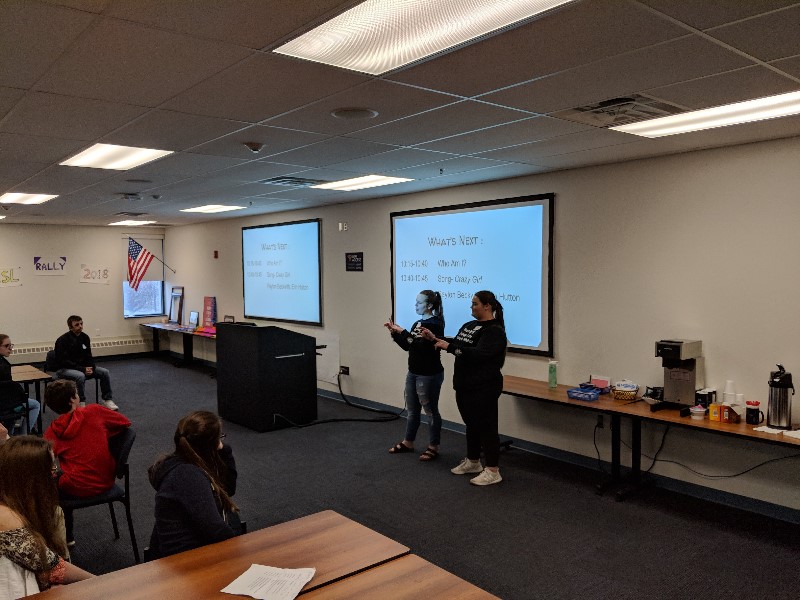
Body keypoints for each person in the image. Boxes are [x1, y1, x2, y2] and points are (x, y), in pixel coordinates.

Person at [421, 290, 507, 486]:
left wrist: (449, 348)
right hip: (465, 385)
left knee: (487, 427)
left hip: (484, 386)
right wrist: (434, 339)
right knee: (472, 425)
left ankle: (493, 470)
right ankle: (473, 461)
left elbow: (478, 354)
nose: (471, 307)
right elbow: (457, 343)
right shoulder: (470, 325)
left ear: (487, 306)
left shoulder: (495, 331)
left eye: (475, 303)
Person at [0, 436, 93, 597]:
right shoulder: (8, 518)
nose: (56, 473)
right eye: (51, 469)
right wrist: (100, 581)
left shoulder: (10, 503)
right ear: (32, 477)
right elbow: (52, 567)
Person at [43, 379, 131, 545]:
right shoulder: (95, 411)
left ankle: (64, 537)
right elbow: (125, 423)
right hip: (106, 481)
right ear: (72, 400)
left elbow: (43, 459)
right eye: (77, 394)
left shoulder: (53, 431)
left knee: (49, 484)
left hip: (75, 487)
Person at [148, 411, 240, 559]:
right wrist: (243, 547)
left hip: (190, 549)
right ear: (211, 446)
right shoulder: (187, 476)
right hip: (186, 560)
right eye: (220, 438)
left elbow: (228, 489)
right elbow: (215, 529)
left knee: (234, 519)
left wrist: (224, 451)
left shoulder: (189, 460)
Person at [384, 290, 445, 461]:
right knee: (412, 411)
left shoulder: (435, 324)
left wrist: (403, 332)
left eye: (419, 303)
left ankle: (433, 446)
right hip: (413, 372)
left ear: (430, 305)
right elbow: (409, 346)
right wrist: (395, 333)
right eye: (416, 302)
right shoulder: (418, 323)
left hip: (429, 374)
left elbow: (422, 348)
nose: (415, 305)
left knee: (431, 412)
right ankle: (408, 442)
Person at [53, 316, 118, 410]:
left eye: (81, 323)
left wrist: (91, 367)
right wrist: (83, 369)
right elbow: (63, 361)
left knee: (104, 372)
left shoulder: (85, 337)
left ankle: (107, 399)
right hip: (64, 369)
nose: (80, 326)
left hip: (82, 368)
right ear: (70, 327)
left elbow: (88, 356)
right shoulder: (62, 340)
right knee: (80, 376)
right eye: (77, 325)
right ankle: (81, 403)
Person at [0, 334, 41, 435]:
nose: (10, 349)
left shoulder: (2, 362)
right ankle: (24, 435)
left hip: (5, 400)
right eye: (6, 346)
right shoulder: (3, 366)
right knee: (35, 404)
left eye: (11, 345)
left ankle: (11, 430)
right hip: (5, 403)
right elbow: (10, 387)